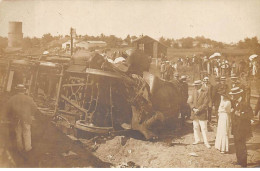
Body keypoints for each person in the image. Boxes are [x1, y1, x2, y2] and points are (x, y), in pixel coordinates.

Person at [3, 84, 38, 153]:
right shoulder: (29, 98)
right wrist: (31, 115)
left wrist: (6, 116)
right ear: (24, 91)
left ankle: (20, 149)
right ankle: (28, 149)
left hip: (16, 119)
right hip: (26, 118)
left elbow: (7, 107)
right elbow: (35, 107)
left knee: (18, 133)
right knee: (27, 133)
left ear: (17, 90)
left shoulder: (13, 98)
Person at [230, 87, 253, 167]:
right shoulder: (234, 102)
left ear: (237, 95)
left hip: (242, 128)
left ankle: (244, 163)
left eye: (233, 95)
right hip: (236, 128)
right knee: (237, 145)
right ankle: (239, 160)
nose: (232, 96)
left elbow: (250, 115)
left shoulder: (245, 103)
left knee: (242, 145)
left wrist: (240, 114)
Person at [189, 80, 211, 148]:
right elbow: (190, 102)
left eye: (196, 85)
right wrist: (193, 108)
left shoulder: (205, 92)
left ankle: (206, 142)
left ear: (200, 85)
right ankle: (197, 139)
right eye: (195, 85)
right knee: (195, 127)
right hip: (194, 113)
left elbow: (206, 103)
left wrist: (198, 109)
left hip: (202, 113)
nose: (195, 86)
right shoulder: (193, 92)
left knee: (204, 128)